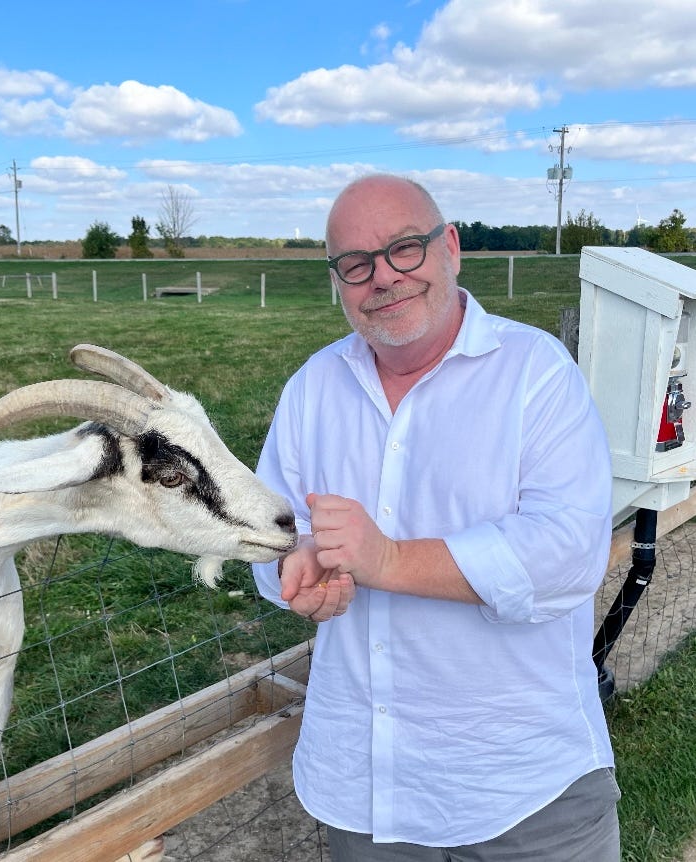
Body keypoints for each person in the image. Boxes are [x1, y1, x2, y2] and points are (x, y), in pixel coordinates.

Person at [252, 174, 619, 861]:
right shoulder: (312, 388)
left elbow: (567, 553)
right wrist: (291, 564)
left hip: (523, 790)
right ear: (337, 279)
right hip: (366, 788)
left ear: (449, 247)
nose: (383, 278)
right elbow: (268, 532)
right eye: (356, 265)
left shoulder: (535, 373)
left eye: (404, 249)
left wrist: (386, 560)